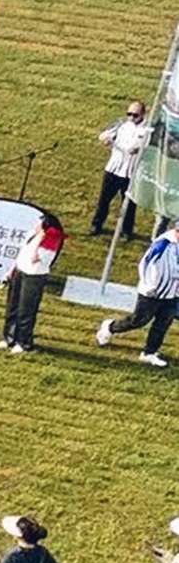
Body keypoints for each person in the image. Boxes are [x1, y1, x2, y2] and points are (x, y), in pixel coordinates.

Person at [98, 214, 179, 366]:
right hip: (152, 292)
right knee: (138, 321)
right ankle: (110, 327)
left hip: (172, 293)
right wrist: (149, 285)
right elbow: (145, 264)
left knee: (163, 323)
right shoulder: (163, 244)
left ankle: (149, 352)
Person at [0, 209, 62, 352]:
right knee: (13, 306)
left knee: (26, 310)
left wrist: (41, 240)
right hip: (20, 271)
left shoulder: (52, 240)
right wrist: (11, 271)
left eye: (40, 223)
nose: (36, 225)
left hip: (34, 276)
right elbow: (22, 253)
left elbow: (36, 259)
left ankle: (23, 342)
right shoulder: (32, 234)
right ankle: (8, 337)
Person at [95, 99, 150, 239]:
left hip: (131, 173)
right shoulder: (121, 125)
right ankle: (97, 225)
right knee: (104, 200)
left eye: (135, 115)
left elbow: (137, 147)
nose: (131, 118)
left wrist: (130, 147)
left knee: (129, 204)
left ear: (143, 114)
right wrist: (105, 140)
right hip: (114, 169)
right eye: (129, 114)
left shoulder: (147, 130)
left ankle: (127, 231)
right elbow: (103, 135)